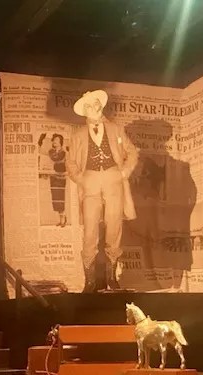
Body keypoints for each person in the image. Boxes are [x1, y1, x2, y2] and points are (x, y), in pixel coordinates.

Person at [68, 90, 138, 292]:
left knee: (114, 226)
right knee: (90, 230)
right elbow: (71, 162)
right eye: (88, 105)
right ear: (84, 111)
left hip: (113, 179)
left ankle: (112, 279)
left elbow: (132, 152)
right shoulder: (78, 134)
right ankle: (89, 283)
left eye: (95, 103)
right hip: (90, 180)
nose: (93, 108)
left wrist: (124, 172)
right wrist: (80, 178)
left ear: (101, 105)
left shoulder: (115, 129)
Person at [38, 133, 68, 227]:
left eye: (57, 140)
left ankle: (63, 218)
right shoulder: (51, 152)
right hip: (53, 178)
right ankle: (60, 219)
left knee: (60, 198)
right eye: (54, 140)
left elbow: (67, 164)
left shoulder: (64, 152)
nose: (55, 141)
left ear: (60, 142)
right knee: (55, 199)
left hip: (61, 178)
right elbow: (40, 151)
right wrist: (40, 140)